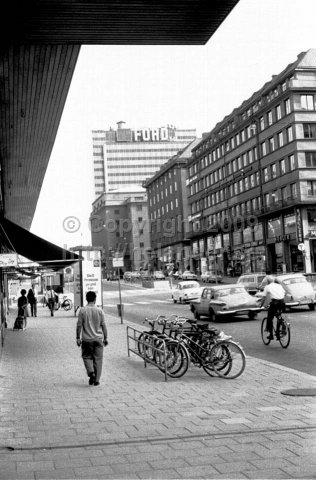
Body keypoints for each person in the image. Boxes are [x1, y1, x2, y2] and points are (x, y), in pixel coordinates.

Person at [76, 291, 108, 386]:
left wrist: (78, 337)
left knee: (86, 357)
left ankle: (91, 372)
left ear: (86, 299)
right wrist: (105, 338)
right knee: (98, 359)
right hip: (98, 339)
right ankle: (97, 380)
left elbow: (79, 326)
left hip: (86, 340)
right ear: (95, 299)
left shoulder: (82, 310)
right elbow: (104, 326)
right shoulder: (100, 310)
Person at [260, 276, 285, 340]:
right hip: (282, 303)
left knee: (269, 319)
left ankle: (271, 335)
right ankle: (278, 332)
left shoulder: (267, 287)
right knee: (279, 316)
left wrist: (261, 305)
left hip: (275, 303)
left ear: (268, 282)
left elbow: (263, 297)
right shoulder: (279, 286)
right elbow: (283, 293)